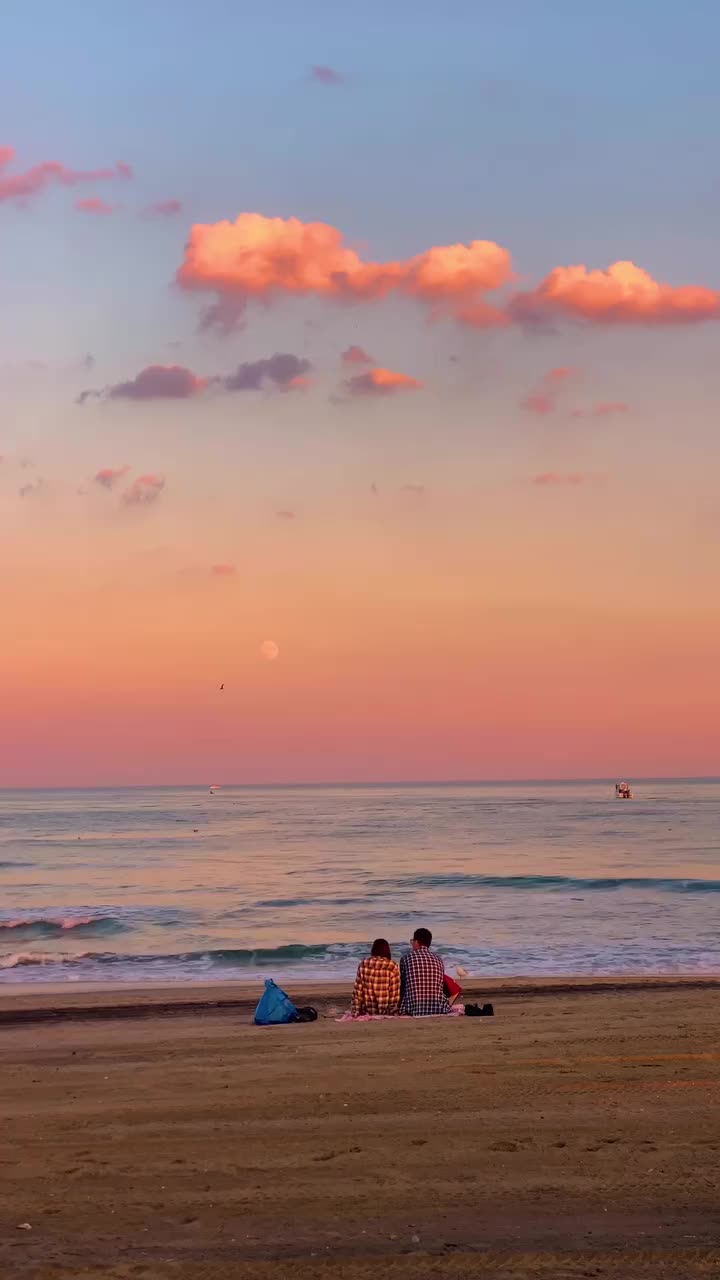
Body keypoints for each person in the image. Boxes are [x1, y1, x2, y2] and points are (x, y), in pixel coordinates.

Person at [400, 927, 450, 1016]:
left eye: (412, 941)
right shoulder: (438, 959)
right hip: (438, 1008)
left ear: (416, 942)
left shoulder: (406, 958)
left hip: (413, 1008)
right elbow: (441, 985)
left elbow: (403, 985)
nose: (412, 944)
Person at [350, 938, 400, 1017]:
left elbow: (357, 993)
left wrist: (355, 1011)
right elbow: (394, 995)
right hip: (386, 1012)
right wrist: (393, 1012)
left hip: (367, 1011)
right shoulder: (392, 966)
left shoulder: (363, 964)